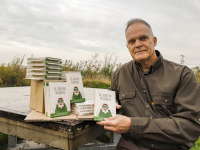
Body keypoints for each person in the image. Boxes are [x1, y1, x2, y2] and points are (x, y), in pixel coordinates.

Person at [97, 18, 200, 150]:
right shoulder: (120, 74)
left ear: (154, 41)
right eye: (132, 41)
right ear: (127, 46)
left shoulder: (182, 75)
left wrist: (132, 125)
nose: (137, 44)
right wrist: (105, 103)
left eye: (143, 38)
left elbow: (190, 127)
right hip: (129, 146)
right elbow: (110, 99)